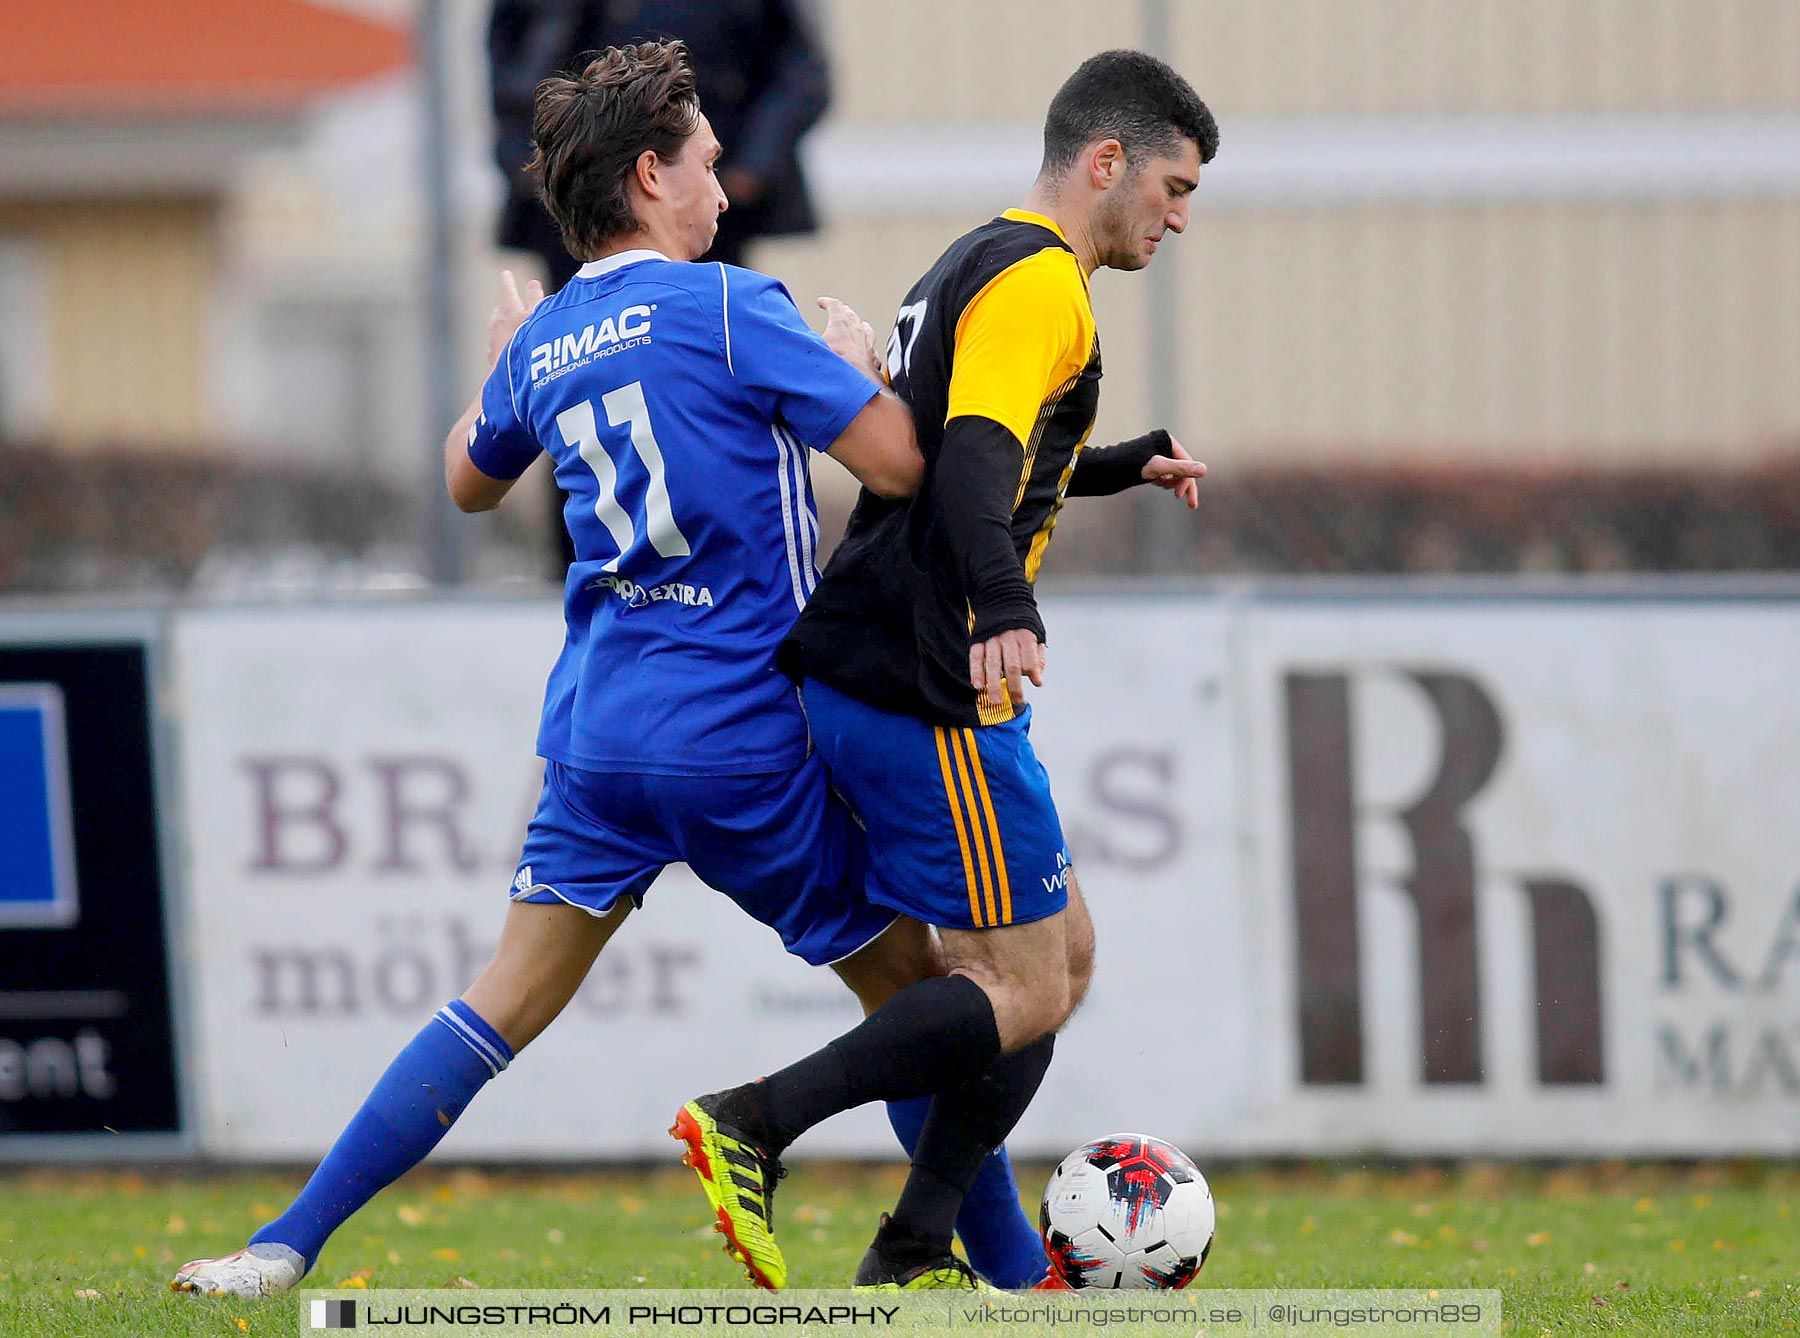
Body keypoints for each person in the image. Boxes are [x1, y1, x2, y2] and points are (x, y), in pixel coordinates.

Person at [170, 39, 951, 1300]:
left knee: (495, 1008)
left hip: (600, 735)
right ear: (651, 175)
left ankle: (279, 1250)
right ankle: (1019, 1284)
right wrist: (862, 365)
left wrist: (504, 358)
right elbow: (902, 467)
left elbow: (465, 484)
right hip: (743, 731)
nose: (723, 188)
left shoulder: (551, 342)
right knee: (925, 1001)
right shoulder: (736, 306)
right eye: (704, 163)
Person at [673, 48, 1217, 1292]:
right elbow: (971, 460)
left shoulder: (977, 256)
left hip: (878, 652)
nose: (1178, 219)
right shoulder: (1043, 288)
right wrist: (1004, 603)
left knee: (1059, 959)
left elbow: (962, 444)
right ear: (1105, 162)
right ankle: (754, 1121)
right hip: (927, 674)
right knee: (1017, 982)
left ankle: (916, 1244)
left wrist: (1120, 460)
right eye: (1174, 188)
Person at [489, 0, 833, 573]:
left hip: (709, 222)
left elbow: (804, 73)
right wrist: (533, 171)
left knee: (708, 383)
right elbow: (505, 71)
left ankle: (713, 564)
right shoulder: (540, 342)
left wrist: (745, 170)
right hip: (577, 220)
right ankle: (578, 566)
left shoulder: (732, 297)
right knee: (579, 388)